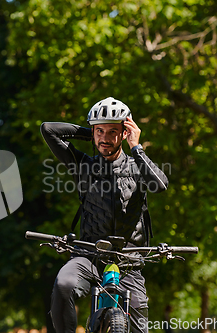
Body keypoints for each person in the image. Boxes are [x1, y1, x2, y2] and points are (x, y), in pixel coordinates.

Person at [40, 97, 169, 333]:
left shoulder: (137, 166)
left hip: (128, 261)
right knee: (63, 285)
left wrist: (136, 148)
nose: (105, 138)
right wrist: (90, 133)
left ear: (124, 132)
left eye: (112, 131)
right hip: (88, 255)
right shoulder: (83, 165)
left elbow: (160, 184)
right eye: (100, 131)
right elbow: (49, 130)